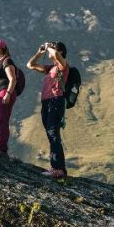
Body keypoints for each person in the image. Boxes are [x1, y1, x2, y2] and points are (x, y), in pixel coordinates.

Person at [28, 40, 70, 178]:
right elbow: (30, 65)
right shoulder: (49, 68)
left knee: (53, 133)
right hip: (46, 102)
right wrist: (40, 53)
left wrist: (50, 48)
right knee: (50, 134)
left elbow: (57, 56)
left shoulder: (63, 66)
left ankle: (59, 169)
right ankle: (55, 167)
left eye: (54, 49)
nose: (50, 50)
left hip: (56, 101)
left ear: (61, 51)